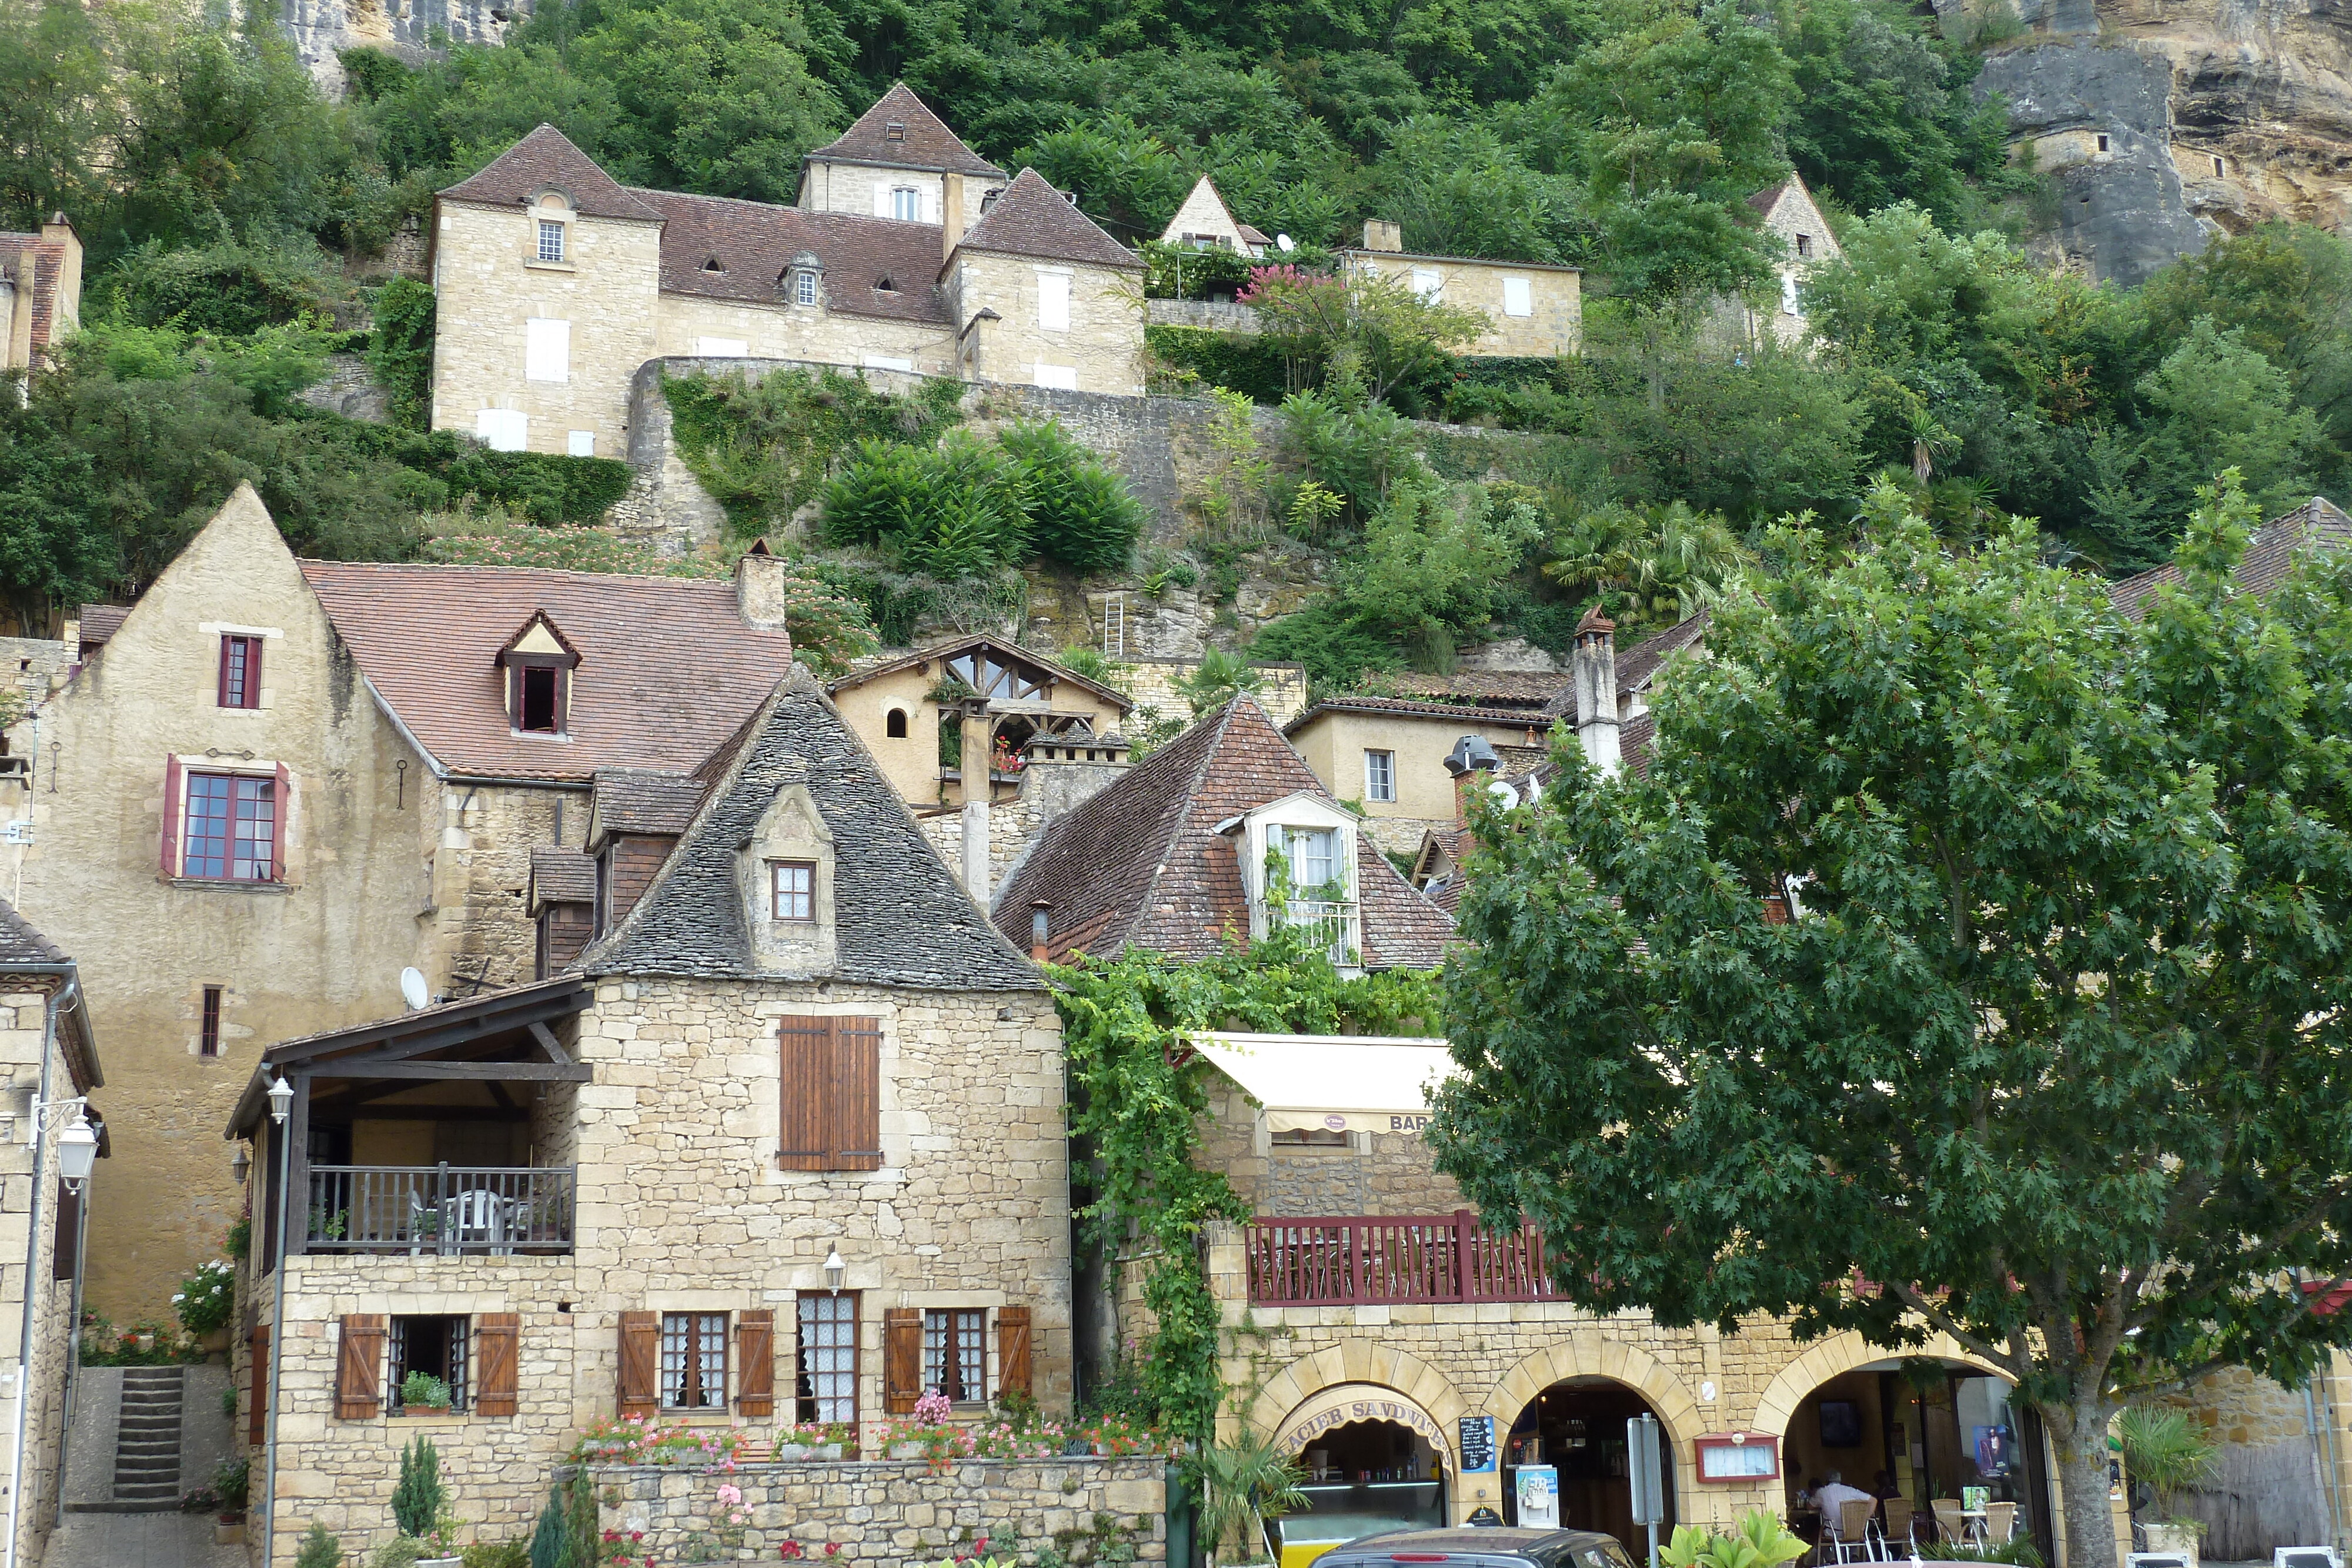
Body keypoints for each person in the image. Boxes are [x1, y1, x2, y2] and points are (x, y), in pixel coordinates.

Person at [1813, 1471, 1875, 1539]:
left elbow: (1810, 1507)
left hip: (1832, 1532)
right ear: (1840, 1480)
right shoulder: (1850, 1490)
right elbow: (1873, 1501)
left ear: (1826, 1481)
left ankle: (1816, 1549)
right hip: (1854, 1531)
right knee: (1853, 1538)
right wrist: (1863, 1521)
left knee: (1816, 1529)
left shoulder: (1822, 1492)